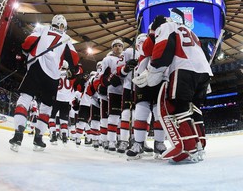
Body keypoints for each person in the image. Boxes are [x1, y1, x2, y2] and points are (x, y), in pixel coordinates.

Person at [133, 14, 212, 163]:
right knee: (194, 107)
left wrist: (154, 71)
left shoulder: (165, 27)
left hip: (183, 68)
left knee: (178, 106)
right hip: (204, 71)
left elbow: (162, 50)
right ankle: (199, 144)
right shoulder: (190, 31)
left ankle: (187, 147)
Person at [9, 14, 81, 152]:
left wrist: (24, 52)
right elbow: (74, 59)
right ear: (63, 27)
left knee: (25, 99)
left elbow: (28, 43)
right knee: (46, 108)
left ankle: (18, 134)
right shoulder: (66, 39)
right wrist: (75, 69)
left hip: (36, 67)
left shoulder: (42, 29)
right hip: (53, 76)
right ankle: (38, 138)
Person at [127, 32, 166, 160]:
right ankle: (139, 143)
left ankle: (158, 143)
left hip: (158, 79)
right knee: (141, 113)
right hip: (144, 82)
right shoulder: (139, 56)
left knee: (159, 113)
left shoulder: (156, 41)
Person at [87, 39, 125, 152]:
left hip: (126, 90)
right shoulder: (108, 59)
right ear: (112, 48)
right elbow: (102, 76)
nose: (118, 47)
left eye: (120, 45)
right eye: (115, 46)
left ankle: (121, 140)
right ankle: (111, 140)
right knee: (112, 116)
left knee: (123, 118)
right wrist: (109, 80)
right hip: (113, 91)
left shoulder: (126, 57)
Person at [48, 60, 75, 145]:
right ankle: (64, 136)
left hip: (57, 98)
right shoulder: (70, 75)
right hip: (66, 100)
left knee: (51, 118)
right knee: (64, 120)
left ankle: (53, 135)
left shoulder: (56, 73)